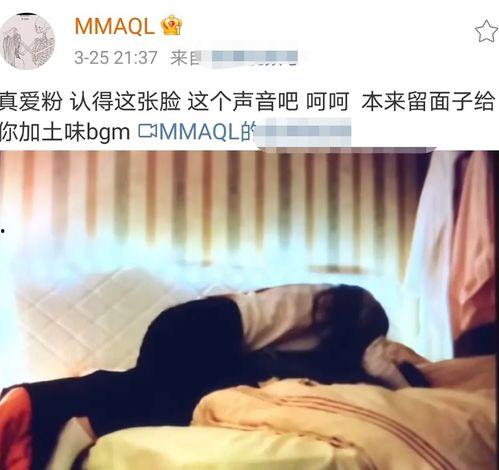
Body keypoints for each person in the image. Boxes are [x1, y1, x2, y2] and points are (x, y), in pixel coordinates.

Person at [0, 284, 428, 469]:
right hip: (211, 329)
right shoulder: (370, 321)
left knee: (145, 388)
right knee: (181, 408)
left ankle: (38, 403)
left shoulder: (327, 304)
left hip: (193, 323)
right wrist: (416, 389)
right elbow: (384, 364)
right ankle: (83, 428)